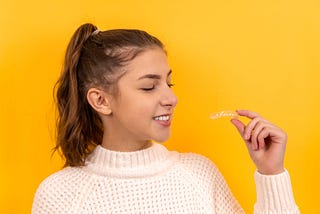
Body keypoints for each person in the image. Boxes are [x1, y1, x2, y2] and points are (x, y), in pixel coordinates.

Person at [32, 23, 299, 213]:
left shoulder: (199, 175)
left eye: (169, 84)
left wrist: (271, 173)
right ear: (100, 100)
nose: (171, 99)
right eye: (149, 86)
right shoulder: (61, 194)